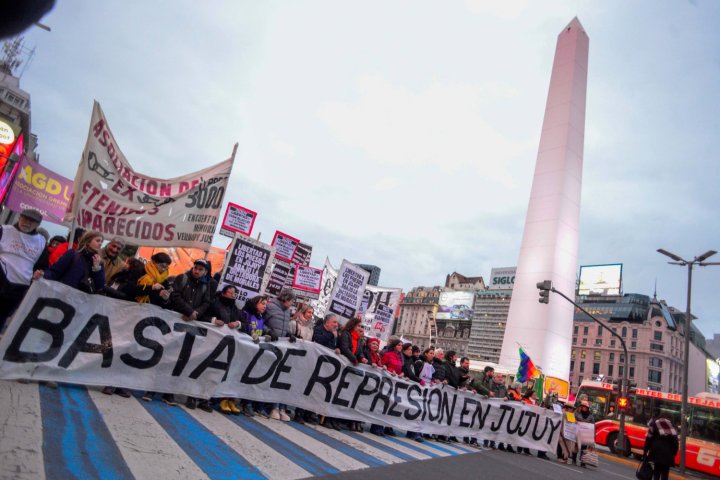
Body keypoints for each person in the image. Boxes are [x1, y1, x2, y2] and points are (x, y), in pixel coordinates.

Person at [170, 259, 217, 412]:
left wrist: (196, 313)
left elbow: (206, 302)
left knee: (184, 358)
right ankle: (158, 390)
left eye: (200, 269)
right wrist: (188, 311)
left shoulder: (205, 285)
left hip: (192, 323)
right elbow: (175, 296)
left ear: (205, 272)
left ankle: (172, 391)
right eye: (195, 268)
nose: (196, 271)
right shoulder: (182, 278)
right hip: (178, 320)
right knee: (170, 355)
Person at [0, 208, 46, 331]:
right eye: (25, 218)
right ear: (19, 217)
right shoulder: (4, 230)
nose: (27, 223)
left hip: (20, 286)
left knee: (3, 316)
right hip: (2, 276)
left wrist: (39, 272)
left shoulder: (41, 241)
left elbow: (41, 264)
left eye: (32, 221)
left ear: (38, 225)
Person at [204, 285, 244, 415]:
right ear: (224, 293)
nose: (233, 295)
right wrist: (214, 320)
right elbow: (203, 316)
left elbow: (243, 322)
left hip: (226, 347)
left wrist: (237, 323)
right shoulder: (215, 304)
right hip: (211, 343)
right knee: (207, 370)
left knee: (218, 372)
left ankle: (210, 398)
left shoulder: (234, 308)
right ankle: (196, 397)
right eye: (231, 293)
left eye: (235, 293)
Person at [238, 294, 276, 417]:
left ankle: (246, 403)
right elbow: (244, 328)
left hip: (254, 354)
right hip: (244, 351)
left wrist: (268, 333)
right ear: (255, 304)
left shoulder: (260, 318)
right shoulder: (247, 314)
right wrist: (250, 335)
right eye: (262, 303)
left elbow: (260, 329)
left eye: (265, 304)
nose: (264, 306)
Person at [312, 314, 342, 430]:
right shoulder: (319, 329)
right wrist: (331, 335)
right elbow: (319, 341)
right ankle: (302, 413)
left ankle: (313, 413)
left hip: (326, 366)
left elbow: (333, 346)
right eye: (334, 322)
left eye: (336, 323)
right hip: (316, 363)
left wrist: (337, 349)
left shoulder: (335, 334)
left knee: (320, 390)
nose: (336, 325)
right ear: (327, 323)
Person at [643, 411, 679, 480]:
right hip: (668, 454)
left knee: (656, 472)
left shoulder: (654, 423)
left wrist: (645, 451)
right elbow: (675, 442)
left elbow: (648, 438)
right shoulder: (673, 427)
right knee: (665, 475)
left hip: (656, 452)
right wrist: (674, 453)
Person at [401, 342, 424, 442]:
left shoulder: (410, 360)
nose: (411, 351)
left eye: (411, 349)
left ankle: (413, 432)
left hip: (410, 387)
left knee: (414, 409)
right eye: (409, 349)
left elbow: (412, 373)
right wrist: (419, 381)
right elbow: (410, 374)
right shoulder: (403, 359)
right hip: (403, 386)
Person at [575, 399, 596, 467]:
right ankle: (574, 458)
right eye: (582, 406)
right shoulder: (577, 413)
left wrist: (593, 436)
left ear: (587, 408)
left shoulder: (590, 416)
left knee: (584, 449)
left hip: (586, 435)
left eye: (585, 407)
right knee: (576, 446)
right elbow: (573, 419)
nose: (583, 408)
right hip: (577, 433)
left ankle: (583, 462)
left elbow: (593, 425)